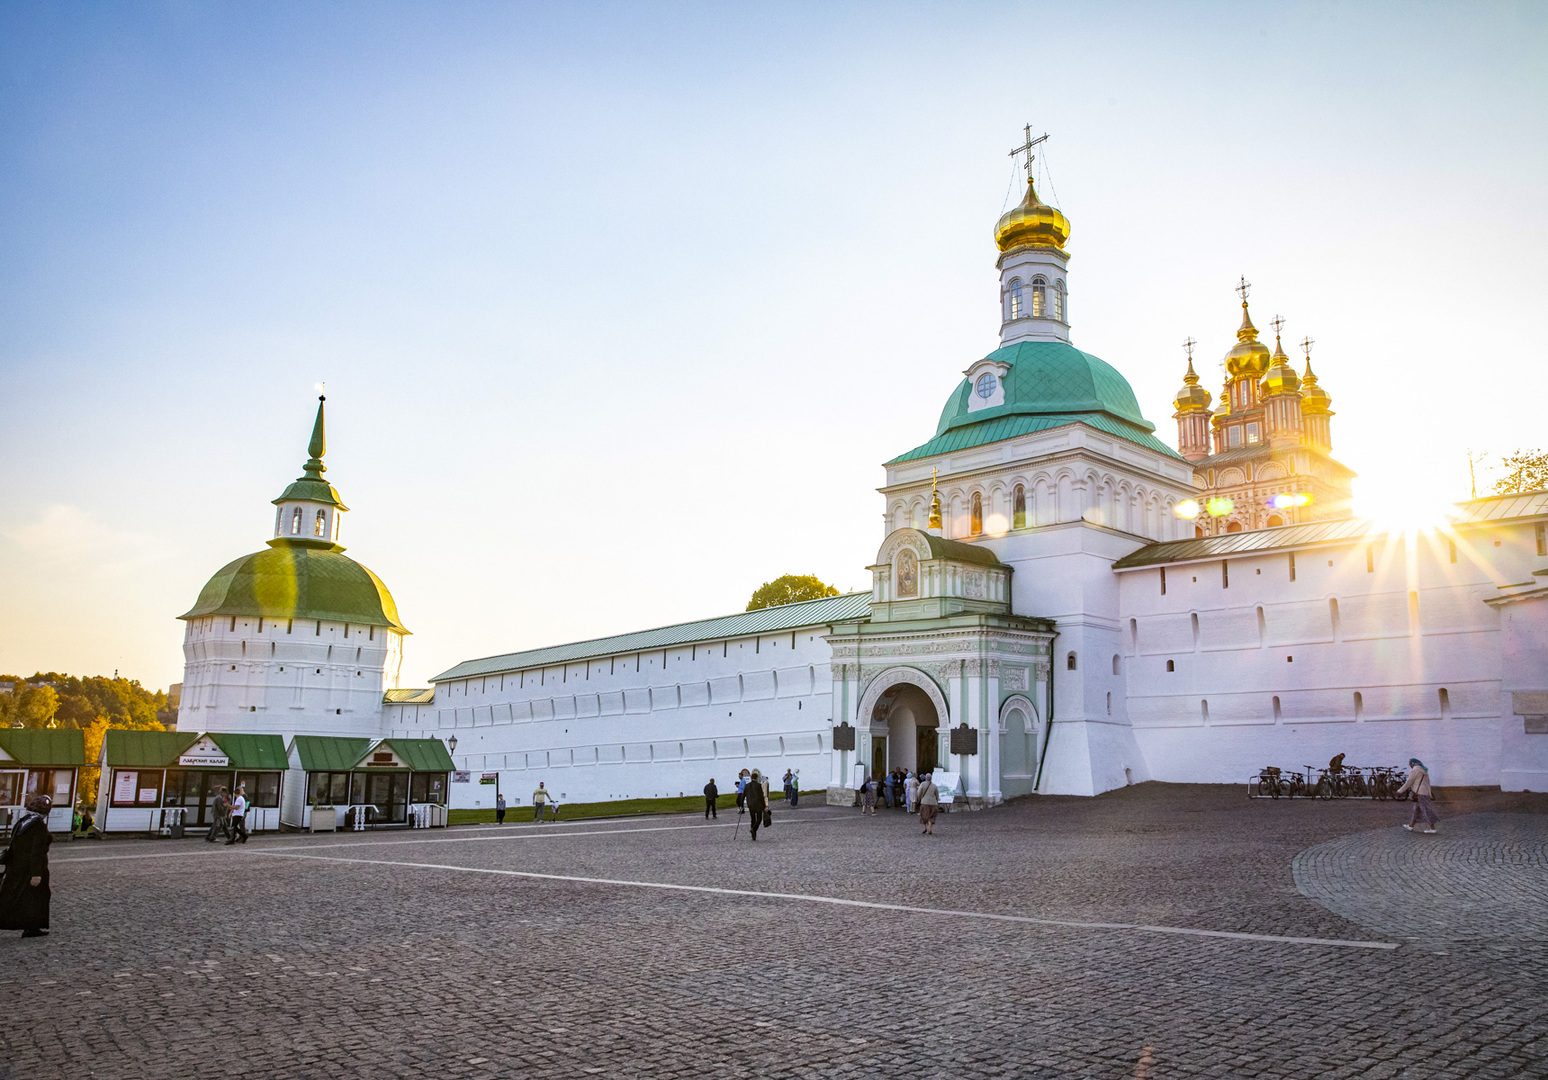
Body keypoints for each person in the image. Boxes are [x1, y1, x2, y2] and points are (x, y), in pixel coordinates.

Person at [0, 794, 53, 937]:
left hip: (16, 866)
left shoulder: (23, 821)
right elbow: (36, 852)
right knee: (37, 897)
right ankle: (32, 926)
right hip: (31, 868)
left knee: (12, 895)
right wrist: (36, 874)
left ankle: (31, 926)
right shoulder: (38, 826)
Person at [1396, 757, 1438, 834]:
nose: (1409, 766)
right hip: (1424, 793)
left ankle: (1433, 828)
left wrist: (1400, 791)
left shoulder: (1414, 770)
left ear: (1413, 763)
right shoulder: (1424, 771)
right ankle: (1410, 826)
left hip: (1419, 794)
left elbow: (1409, 782)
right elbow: (1427, 783)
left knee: (1426, 811)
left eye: (1409, 764)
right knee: (1416, 811)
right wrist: (1429, 793)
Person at [744, 768, 768, 841]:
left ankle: (753, 835)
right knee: (759, 818)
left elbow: (743, 795)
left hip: (750, 804)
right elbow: (761, 796)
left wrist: (741, 805)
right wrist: (764, 806)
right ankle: (754, 830)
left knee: (753, 819)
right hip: (758, 804)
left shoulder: (747, 785)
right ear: (757, 778)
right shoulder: (758, 785)